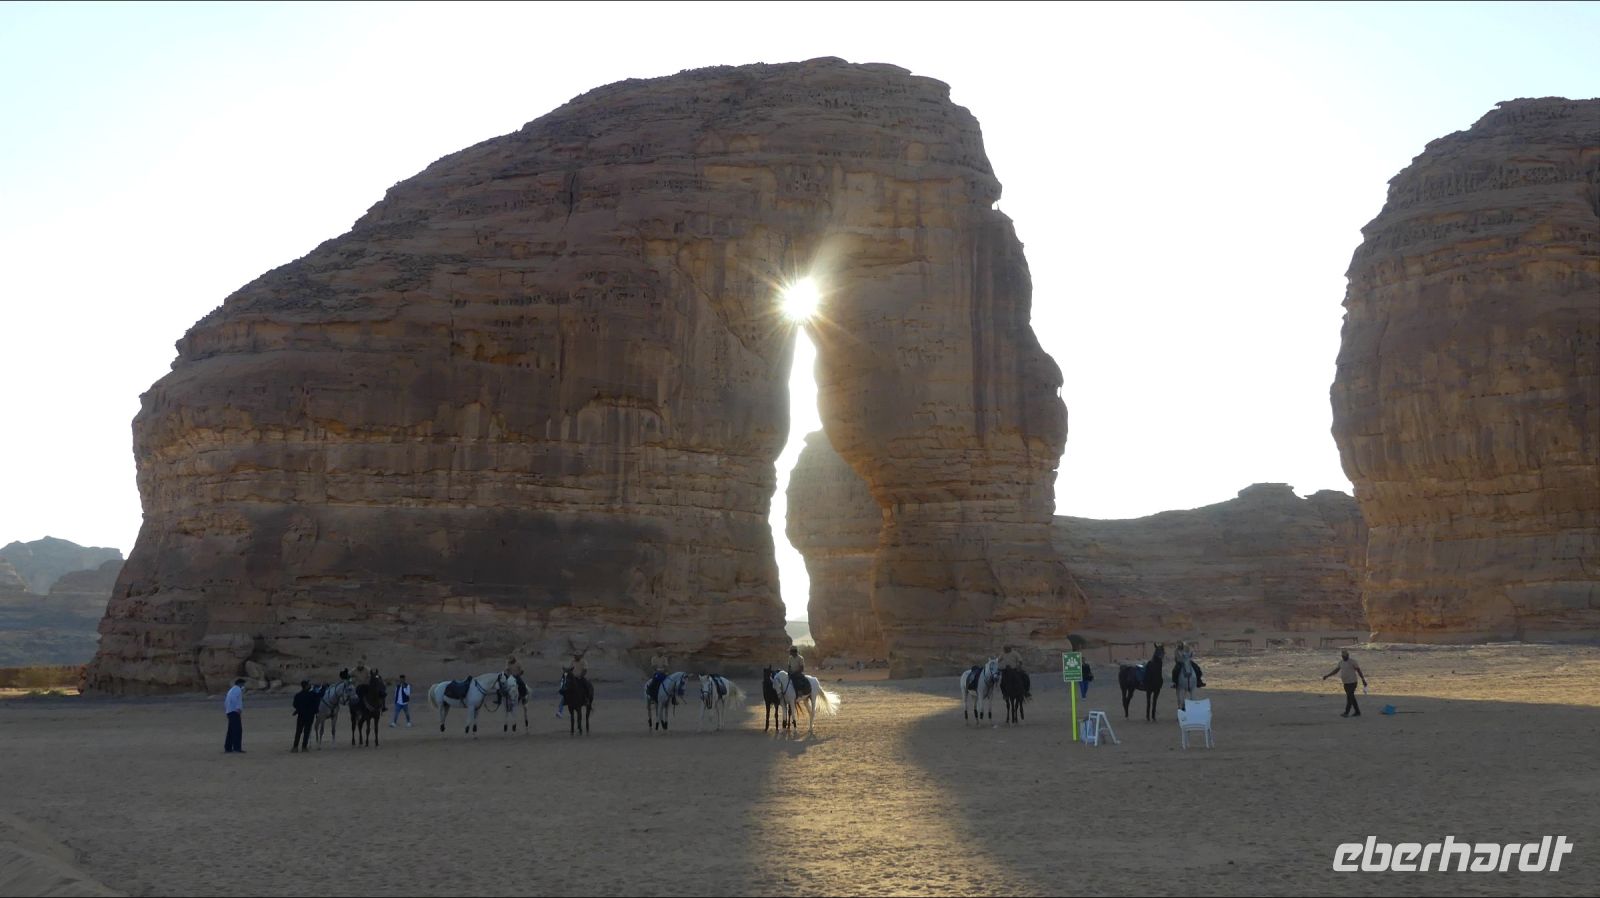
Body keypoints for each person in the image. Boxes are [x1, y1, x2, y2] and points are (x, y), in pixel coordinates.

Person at [1322, 649, 1369, 717]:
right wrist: (1327, 676)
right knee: (1351, 697)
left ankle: (1346, 712)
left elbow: (1359, 671)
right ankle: (1357, 712)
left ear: (1348, 655)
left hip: (1353, 682)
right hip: (1345, 683)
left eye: (1345, 656)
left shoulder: (1352, 662)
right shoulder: (1341, 662)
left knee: (1349, 697)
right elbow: (1335, 671)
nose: (1344, 657)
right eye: (1343, 656)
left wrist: (1363, 680)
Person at [291, 680, 319, 752]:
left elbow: (295, 704)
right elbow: (316, 704)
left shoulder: (298, 695)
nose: (310, 686)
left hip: (301, 716)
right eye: (308, 685)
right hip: (309, 716)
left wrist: (299, 709)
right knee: (306, 732)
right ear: (306, 686)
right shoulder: (312, 695)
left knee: (298, 731)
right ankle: (304, 747)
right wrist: (315, 712)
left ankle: (295, 747)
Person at [558, 652, 587, 718]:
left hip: (580, 678)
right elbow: (570, 669)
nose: (575, 657)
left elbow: (585, 670)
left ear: (580, 656)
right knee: (566, 690)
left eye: (577, 656)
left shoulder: (583, 662)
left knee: (586, 686)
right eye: (575, 656)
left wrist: (581, 676)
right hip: (573, 679)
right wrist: (565, 669)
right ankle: (560, 711)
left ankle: (586, 700)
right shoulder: (573, 661)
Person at [224, 677, 247, 754]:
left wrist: (227, 710)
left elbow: (227, 701)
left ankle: (228, 747)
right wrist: (238, 708)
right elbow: (235, 699)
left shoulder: (231, 690)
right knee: (237, 730)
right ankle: (237, 748)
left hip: (229, 711)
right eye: (243, 684)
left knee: (231, 730)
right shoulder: (237, 690)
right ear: (240, 684)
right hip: (234, 712)